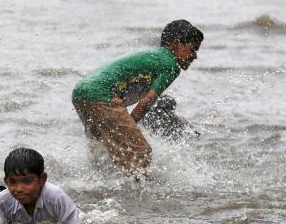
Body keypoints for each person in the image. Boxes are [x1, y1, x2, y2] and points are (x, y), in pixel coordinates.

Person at [72, 20, 203, 174]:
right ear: (176, 44)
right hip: (101, 96)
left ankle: (95, 183)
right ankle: (135, 188)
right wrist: (130, 127)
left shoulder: (154, 57)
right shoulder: (171, 65)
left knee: (102, 149)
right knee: (141, 152)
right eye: (193, 50)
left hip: (81, 93)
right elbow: (147, 101)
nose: (195, 57)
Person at [0, 148, 80, 224]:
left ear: (42, 179)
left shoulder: (56, 198)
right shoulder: (3, 201)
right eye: (13, 182)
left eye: (27, 181)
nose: (19, 189)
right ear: (6, 182)